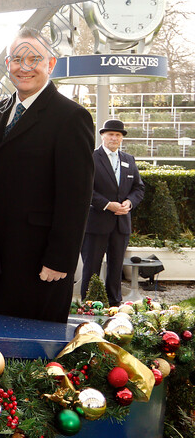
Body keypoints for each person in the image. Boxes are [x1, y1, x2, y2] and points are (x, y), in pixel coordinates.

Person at [0, 27, 94, 323]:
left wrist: (60, 259)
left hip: (39, 263)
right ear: (8, 65)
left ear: (51, 64)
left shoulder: (70, 117)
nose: (25, 67)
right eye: (17, 59)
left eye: (35, 58)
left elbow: (76, 196)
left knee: (31, 356)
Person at [80, 119, 144, 306]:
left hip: (121, 223)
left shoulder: (128, 160)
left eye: (118, 135)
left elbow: (138, 188)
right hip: (96, 223)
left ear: (122, 138)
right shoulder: (90, 158)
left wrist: (129, 203)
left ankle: (115, 306)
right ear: (102, 136)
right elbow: (84, 189)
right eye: (110, 134)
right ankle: (90, 305)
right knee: (91, 267)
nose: (114, 138)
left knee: (116, 268)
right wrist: (108, 204)